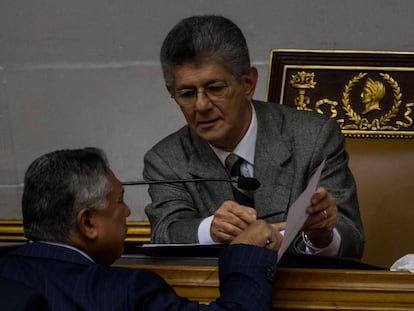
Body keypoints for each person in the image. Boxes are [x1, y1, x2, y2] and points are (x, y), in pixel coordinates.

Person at [143, 15, 364, 259]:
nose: (201, 105)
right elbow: (166, 231)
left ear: (248, 83)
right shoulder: (165, 160)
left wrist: (322, 236)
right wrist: (211, 229)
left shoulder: (313, 138)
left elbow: (352, 241)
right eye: (186, 93)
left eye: (215, 88)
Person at [0, 147, 282, 311]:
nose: (127, 212)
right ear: (87, 223)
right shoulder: (124, 292)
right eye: (119, 201)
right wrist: (246, 253)